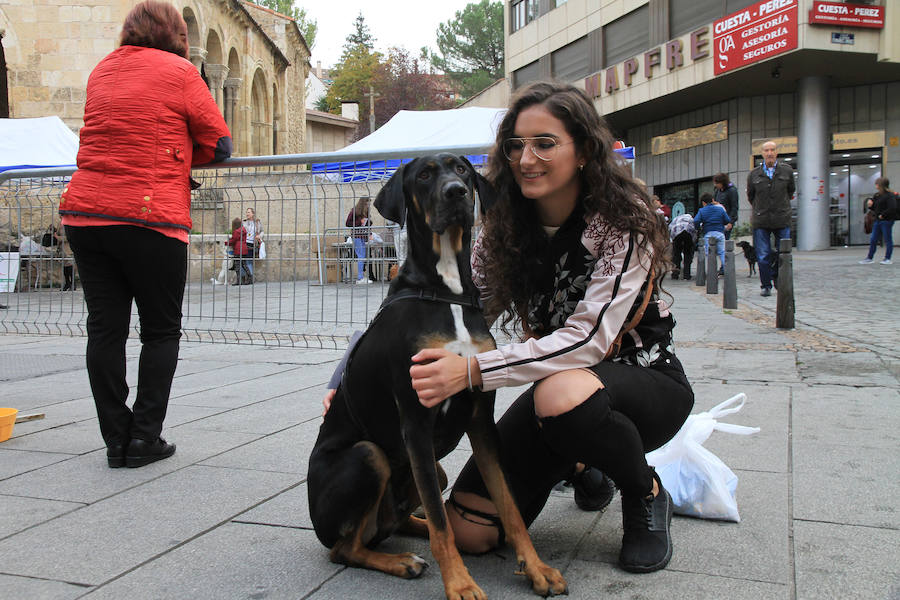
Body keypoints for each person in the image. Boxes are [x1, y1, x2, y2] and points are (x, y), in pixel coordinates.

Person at [407, 82, 694, 573]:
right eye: (515, 145)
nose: (525, 158)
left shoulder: (623, 218)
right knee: (469, 533)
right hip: (556, 390)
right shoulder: (503, 224)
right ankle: (581, 462)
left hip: (643, 382)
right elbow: (454, 307)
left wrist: (472, 370)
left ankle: (643, 490)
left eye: (545, 143)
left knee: (560, 395)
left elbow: (589, 340)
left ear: (583, 150)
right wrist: (349, 377)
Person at [58, 0, 232, 468]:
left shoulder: (102, 70)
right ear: (175, 34)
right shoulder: (179, 72)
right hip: (150, 216)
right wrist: (179, 158)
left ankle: (116, 438)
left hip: (85, 214)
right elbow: (220, 144)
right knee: (160, 331)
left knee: (105, 330)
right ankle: (144, 438)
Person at [746, 141, 795, 297]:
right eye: (766, 150)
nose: (769, 153)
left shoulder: (786, 171)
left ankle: (779, 279)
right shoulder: (754, 174)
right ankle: (765, 285)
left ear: (777, 152)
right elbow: (751, 196)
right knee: (763, 254)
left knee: (784, 253)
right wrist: (760, 208)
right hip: (761, 220)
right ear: (762, 153)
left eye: (772, 150)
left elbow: (790, 191)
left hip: (782, 218)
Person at [859, 177, 895, 265]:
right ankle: (869, 258)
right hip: (877, 220)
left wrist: (883, 215)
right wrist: (870, 205)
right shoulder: (877, 195)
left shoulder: (889, 195)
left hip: (886, 220)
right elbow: (875, 208)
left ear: (881, 185)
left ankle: (887, 258)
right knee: (873, 239)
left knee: (887, 239)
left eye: (877, 184)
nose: (876, 185)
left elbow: (892, 207)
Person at [694, 193, 730, 277]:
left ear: (703, 202)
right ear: (712, 200)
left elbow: (696, 221)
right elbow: (727, 220)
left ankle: (711, 272)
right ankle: (726, 270)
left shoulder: (702, 210)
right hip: (720, 233)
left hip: (709, 234)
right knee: (722, 252)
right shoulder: (720, 209)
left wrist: (698, 228)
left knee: (710, 254)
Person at [346, 196, 371, 284]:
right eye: (367, 203)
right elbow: (348, 223)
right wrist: (359, 222)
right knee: (361, 255)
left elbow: (368, 223)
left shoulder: (366, 212)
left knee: (363, 255)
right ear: (364, 203)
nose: (368, 205)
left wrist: (368, 222)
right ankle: (360, 277)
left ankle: (361, 276)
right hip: (356, 235)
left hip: (362, 235)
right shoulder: (354, 211)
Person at [668, 211, 696, 280]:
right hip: (688, 234)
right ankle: (687, 275)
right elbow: (694, 230)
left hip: (677, 235)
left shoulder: (676, 219)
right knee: (687, 254)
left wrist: (671, 240)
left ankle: (675, 274)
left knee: (676, 254)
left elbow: (670, 228)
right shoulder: (691, 219)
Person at [225, 217, 251, 284]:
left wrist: (226, 243)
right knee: (244, 264)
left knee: (237, 265)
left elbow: (233, 240)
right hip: (244, 248)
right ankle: (250, 278)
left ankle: (239, 281)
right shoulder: (244, 230)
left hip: (238, 249)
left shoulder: (236, 231)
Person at [713, 173, 739, 239]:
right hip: (718, 220)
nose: (716, 185)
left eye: (717, 183)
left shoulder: (732, 191)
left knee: (724, 240)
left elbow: (734, 207)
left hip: (727, 220)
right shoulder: (717, 191)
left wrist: (731, 222)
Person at [241, 207, 263, 284]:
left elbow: (262, 231)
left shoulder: (257, 222)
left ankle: (250, 278)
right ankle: (243, 278)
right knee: (242, 261)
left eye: (249, 212)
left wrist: (259, 236)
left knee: (249, 261)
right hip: (244, 243)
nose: (247, 214)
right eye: (247, 212)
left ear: (253, 214)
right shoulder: (244, 222)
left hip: (252, 243)